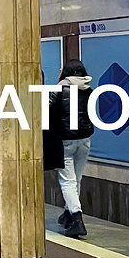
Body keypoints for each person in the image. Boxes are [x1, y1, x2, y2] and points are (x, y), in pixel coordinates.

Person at [51, 60, 94, 238]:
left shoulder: (58, 90)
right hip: (84, 140)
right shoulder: (88, 90)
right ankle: (68, 214)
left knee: (67, 181)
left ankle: (77, 220)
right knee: (76, 179)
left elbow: (46, 111)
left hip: (66, 141)